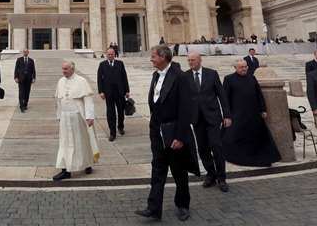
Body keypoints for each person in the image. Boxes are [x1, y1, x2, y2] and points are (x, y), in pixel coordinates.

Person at [135, 45, 197, 222]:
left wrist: (180, 136)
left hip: (173, 132)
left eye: (153, 56)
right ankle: (154, 208)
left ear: (163, 57)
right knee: (157, 170)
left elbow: (186, 110)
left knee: (179, 171)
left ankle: (183, 205)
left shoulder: (181, 77)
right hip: (157, 131)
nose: (151, 59)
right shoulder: (156, 75)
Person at [185, 51, 231, 192]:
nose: (190, 62)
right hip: (197, 119)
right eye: (189, 60)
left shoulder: (212, 74)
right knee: (203, 149)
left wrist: (227, 115)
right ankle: (211, 174)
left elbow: (222, 95)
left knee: (216, 146)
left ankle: (222, 178)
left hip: (213, 117)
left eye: (193, 60)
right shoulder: (185, 76)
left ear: (200, 60)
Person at [222, 59, 281, 167]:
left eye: (245, 67)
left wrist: (263, 109)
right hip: (237, 114)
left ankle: (260, 159)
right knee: (234, 137)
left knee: (258, 137)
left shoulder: (252, 77)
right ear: (235, 68)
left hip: (254, 114)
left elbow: (259, 94)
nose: (244, 69)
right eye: (241, 67)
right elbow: (225, 99)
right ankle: (239, 159)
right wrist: (227, 115)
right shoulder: (229, 79)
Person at [52, 61, 96, 181]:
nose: (63, 71)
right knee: (65, 143)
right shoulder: (60, 81)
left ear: (72, 69)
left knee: (82, 142)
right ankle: (65, 170)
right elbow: (58, 101)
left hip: (78, 116)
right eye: (63, 69)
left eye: (66, 69)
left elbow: (88, 100)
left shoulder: (81, 81)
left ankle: (87, 164)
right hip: (65, 117)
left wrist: (90, 116)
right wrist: (59, 116)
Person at [97, 47, 130, 141]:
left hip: (120, 92)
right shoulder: (102, 65)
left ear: (115, 54)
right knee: (110, 113)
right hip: (108, 93)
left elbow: (124, 77)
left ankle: (120, 126)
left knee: (120, 112)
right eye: (109, 54)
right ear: (106, 55)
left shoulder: (120, 64)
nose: (110, 56)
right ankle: (112, 132)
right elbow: (99, 79)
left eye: (112, 54)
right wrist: (101, 91)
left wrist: (127, 91)